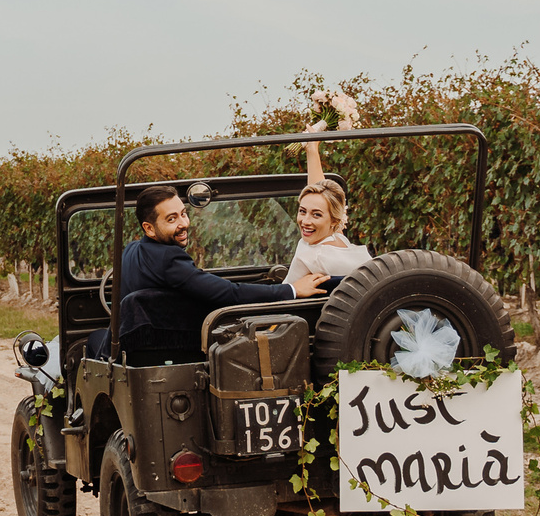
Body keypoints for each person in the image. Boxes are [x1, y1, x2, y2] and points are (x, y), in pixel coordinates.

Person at [117, 183, 323, 363]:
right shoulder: (169, 258)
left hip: (143, 352)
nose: (184, 224)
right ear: (149, 228)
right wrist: (291, 290)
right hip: (181, 353)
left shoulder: (131, 250)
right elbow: (228, 294)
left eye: (183, 213)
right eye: (172, 219)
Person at [288, 89, 373, 289]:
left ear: (334, 221)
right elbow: (318, 193)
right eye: (302, 211)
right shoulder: (337, 239)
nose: (305, 221)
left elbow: (282, 295)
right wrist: (312, 149)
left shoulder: (314, 257)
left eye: (316, 215)